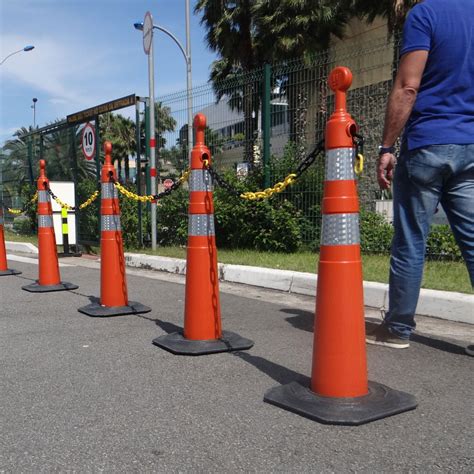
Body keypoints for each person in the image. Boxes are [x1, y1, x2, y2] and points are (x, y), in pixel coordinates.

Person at [366, 0, 474, 348]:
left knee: (411, 240)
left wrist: (386, 147)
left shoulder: (426, 14)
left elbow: (408, 86)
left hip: (428, 143)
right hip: (470, 144)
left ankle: (397, 329)